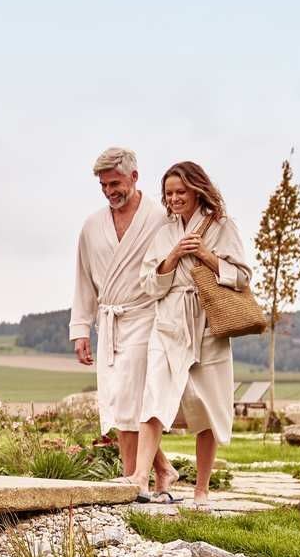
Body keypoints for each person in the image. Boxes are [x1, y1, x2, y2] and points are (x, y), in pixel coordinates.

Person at [132, 160, 251, 507]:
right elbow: (149, 285)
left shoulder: (223, 226)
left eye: (180, 192)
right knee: (153, 396)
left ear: (197, 189)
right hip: (168, 324)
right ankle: (140, 478)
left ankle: (201, 490)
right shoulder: (164, 232)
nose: (173, 199)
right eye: (168, 193)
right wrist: (171, 258)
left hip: (208, 325)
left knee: (208, 408)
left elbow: (242, 277)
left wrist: (206, 255)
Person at [70, 146, 174, 489]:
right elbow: (83, 279)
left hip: (145, 315)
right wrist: (80, 328)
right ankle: (162, 470)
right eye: (103, 186)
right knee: (117, 401)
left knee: (129, 398)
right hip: (109, 321)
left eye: (115, 183)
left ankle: (131, 478)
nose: (110, 191)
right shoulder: (91, 225)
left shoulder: (160, 219)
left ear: (134, 176)